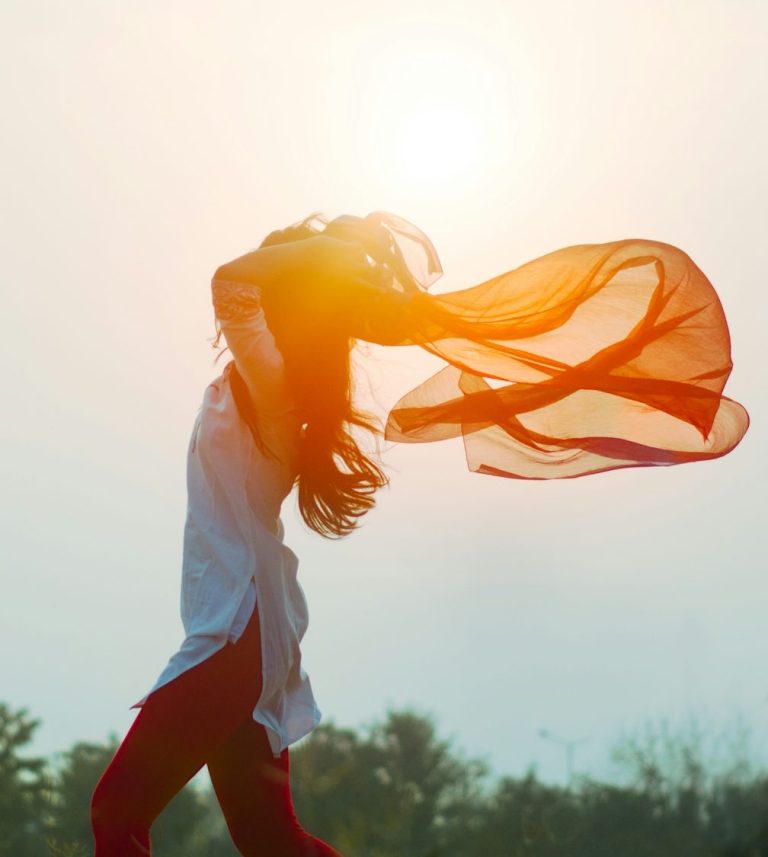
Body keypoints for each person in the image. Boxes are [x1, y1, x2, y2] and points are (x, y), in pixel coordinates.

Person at [90, 210, 748, 855]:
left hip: (237, 631)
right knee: (271, 840)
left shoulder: (275, 381)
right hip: (247, 631)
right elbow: (245, 287)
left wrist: (321, 260)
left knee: (117, 810)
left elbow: (231, 283)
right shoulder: (274, 380)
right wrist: (322, 261)